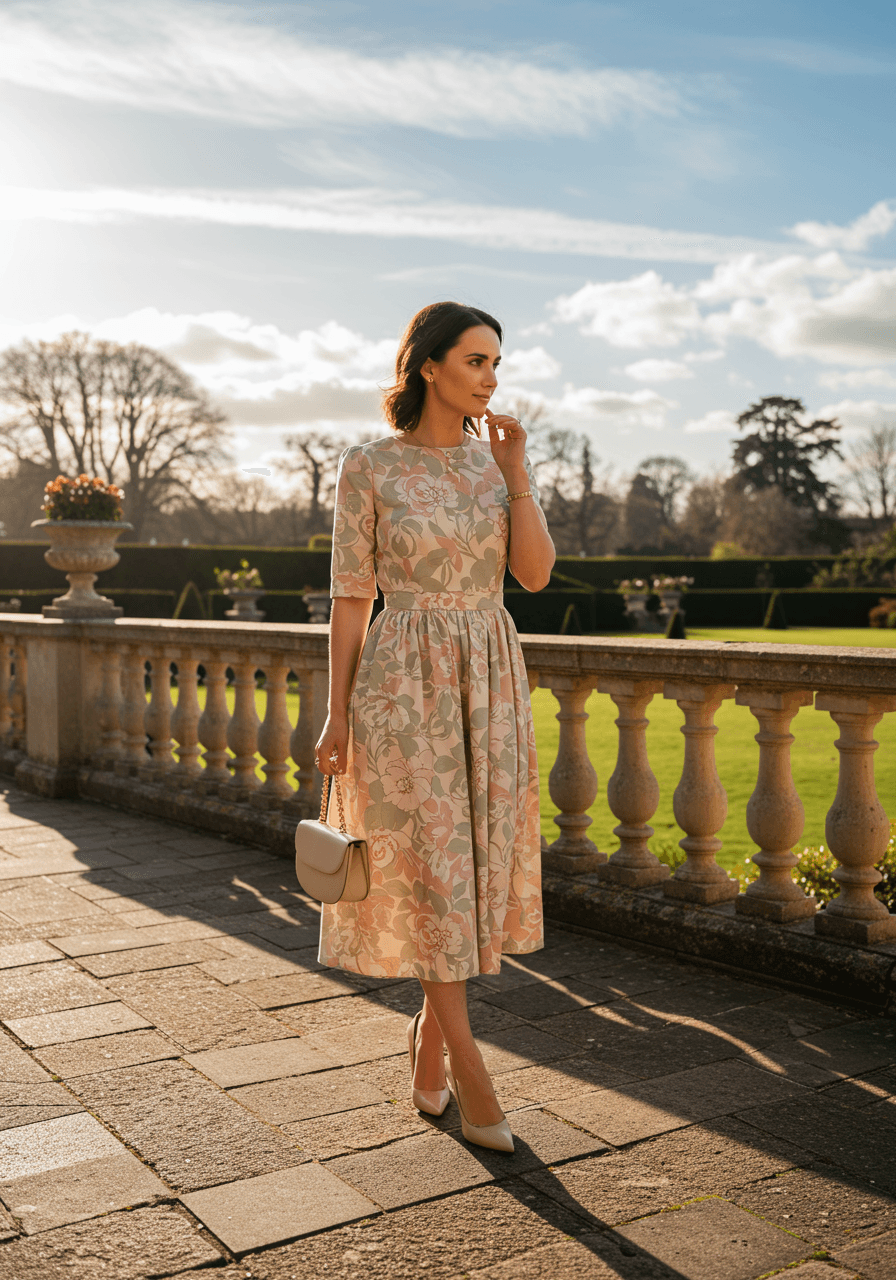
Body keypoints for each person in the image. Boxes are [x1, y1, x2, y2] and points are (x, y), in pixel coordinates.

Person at [315, 301, 555, 1153]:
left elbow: (531, 575)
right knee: (427, 869)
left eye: (497, 362)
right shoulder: (369, 464)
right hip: (401, 683)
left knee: (462, 872)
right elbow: (351, 598)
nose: (493, 378)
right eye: (478, 361)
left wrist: (518, 469)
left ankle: (428, 1039)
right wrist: (337, 713)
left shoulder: (498, 468)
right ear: (429, 368)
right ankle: (470, 1063)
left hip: (487, 678)